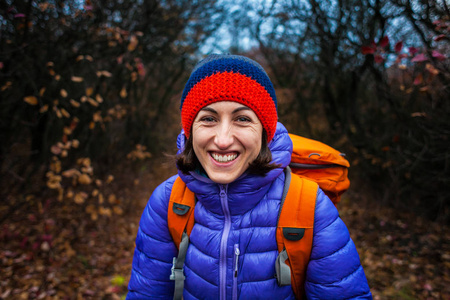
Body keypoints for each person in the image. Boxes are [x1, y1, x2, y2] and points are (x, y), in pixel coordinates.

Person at [127, 54, 372, 299]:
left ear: (266, 131)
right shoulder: (167, 202)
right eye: (208, 119)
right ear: (190, 131)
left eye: (242, 119)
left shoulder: (309, 205)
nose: (223, 140)